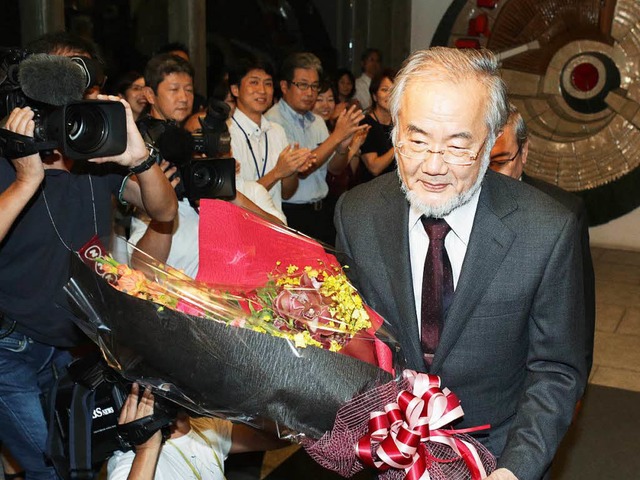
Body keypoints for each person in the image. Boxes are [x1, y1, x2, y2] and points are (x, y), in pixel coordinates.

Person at [334, 47, 587, 480]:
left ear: (489, 143)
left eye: (457, 146)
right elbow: (348, 337)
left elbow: (556, 370)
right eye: (415, 140)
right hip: (386, 455)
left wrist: (515, 469)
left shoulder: (546, 230)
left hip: (497, 456)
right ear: (394, 132)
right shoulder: (357, 214)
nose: (433, 166)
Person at [0, 33, 178, 479]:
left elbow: (164, 211)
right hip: (9, 348)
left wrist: (138, 157)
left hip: (73, 342)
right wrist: (24, 179)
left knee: (81, 459)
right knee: (50, 469)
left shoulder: (96, 149)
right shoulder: (8, 150)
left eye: (84, 84)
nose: (74, 96)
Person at [489, 103, 596, 375]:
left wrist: (574, 385)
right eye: (481, 162)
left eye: (500, 162)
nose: (488, 175)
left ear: (524, 151)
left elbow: (578, 314)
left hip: (533, 372)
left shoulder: (562, 213)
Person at [265, 52, 365, 245]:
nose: (310, 93)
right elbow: (302, 169)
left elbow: (334, 169)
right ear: (284, 86)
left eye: (314, 86)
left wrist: (342, 147)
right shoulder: (274, 121)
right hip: (292, 212)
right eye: (302, 85)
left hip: (321, 210)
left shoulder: (317, 121)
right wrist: (336, 135)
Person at [107, 383, 284, 480]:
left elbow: (278, 439)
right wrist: (146, 450)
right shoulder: (131, 462)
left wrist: (236, 412)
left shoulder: (205, 426)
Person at [228, 56, 314, 218]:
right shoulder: (227, 135)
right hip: (240, 227)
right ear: (235, 89)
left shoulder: (277, 131)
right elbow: (233, 199)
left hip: (276, 225)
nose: (262, 90)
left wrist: (292, 169)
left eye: (267, 83)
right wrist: (277, 172)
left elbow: (287, 194)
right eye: (254, 82)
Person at [358, 69, 396, 183]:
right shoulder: (365, 124)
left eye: (394, 91)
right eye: (385, 90)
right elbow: (374, 168)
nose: (389, 95)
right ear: (374, 96)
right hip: (371, 190)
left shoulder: (399, 123)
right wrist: (399, 145)